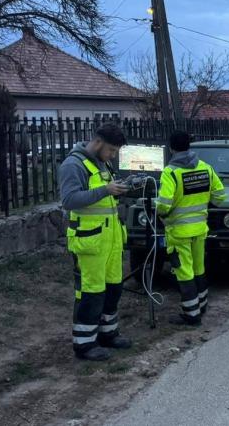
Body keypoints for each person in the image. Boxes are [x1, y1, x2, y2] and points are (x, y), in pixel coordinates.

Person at [58, 125, 132, 361]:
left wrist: (118, 190)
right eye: (111, 150)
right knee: (91, 292)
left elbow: (103, 196)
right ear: (98, 143)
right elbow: (69, 200)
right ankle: (84, 344)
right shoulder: (73, 165)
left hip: (109, 241)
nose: (113, 155)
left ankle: (108, 334)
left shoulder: (102, 163)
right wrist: (106, 190)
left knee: (113, 289)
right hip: (89, 242)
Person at [155, 131, 225, 326]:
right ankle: (202, 306)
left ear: (171, 148)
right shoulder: (205, 168)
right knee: (198, 269)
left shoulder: (170, 172)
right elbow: (220, 197)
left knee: (184, 272)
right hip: (200, 230)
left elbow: (164, 204)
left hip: (179, 233)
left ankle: (191, 315)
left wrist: (158, 211)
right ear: (189, 146)